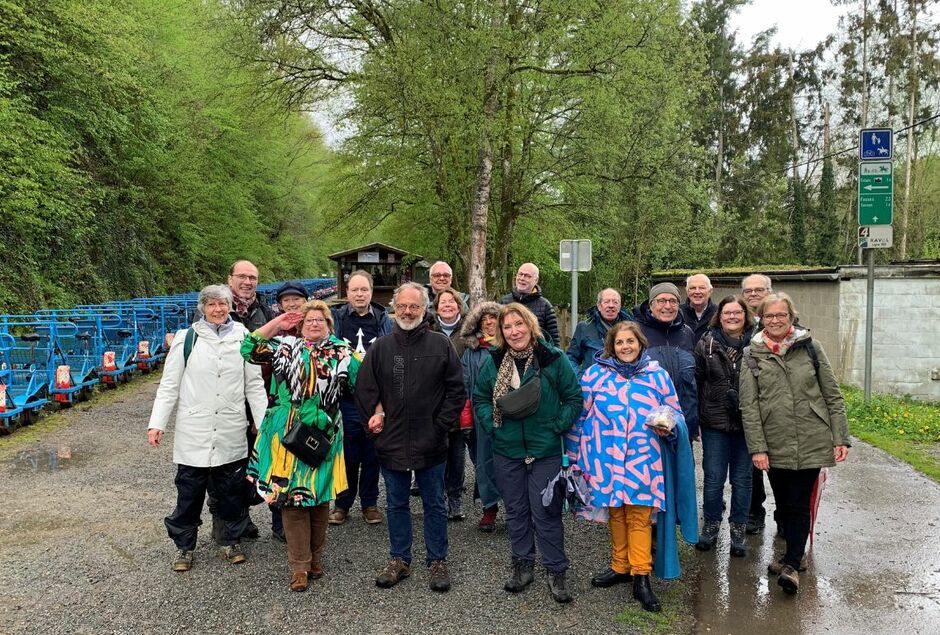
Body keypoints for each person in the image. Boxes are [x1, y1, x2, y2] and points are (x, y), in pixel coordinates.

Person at [566, 321, 697, 613]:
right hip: (603, 456)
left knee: (638, 515)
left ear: (640, 343)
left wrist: (669, 426)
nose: (625, 347)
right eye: (619, 343)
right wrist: (572, 457)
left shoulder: (657, 376)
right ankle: (619, 565)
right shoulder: (595, 375)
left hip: (643, 459)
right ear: (611, 346)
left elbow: (675, 411)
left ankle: (641, 575)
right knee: (616, 511)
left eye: (631, 342)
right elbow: (579, 415)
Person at [147, 285, 267, 572]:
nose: (218, 309)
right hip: (194, 429)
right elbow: (169, 385)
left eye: (222, 304)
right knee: (189, 493)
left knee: (230, 491)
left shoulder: (243, 337)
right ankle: (184, 546)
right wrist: (157, 423)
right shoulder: (186, 339)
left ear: (230, 307)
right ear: (202, 308)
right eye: (212, 304)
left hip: (229, 427)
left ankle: (230, 540)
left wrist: (263, 425)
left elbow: (254, 385)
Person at [242, 300, 360, 592]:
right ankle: (299, 567)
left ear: (329, 325)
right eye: (309, 320)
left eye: (321, 320)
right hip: (285, 433)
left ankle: (315, 559)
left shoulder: (343, 353)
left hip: (324, 434)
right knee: (291, 500)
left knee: (319, 500)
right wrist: (277, 323)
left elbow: (366, 383)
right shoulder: (284, 346)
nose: (315, 324)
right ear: (300, 324)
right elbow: (248, 348)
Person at [355, 282, 466, 593]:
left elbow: (456, 391)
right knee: (397, 503)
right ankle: (400, 559)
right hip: (391, 442)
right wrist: (374, 424)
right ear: (394, 308)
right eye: (402, 306)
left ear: (423, 309)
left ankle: (437, 560)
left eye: (414, 306)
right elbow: (365, 390)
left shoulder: (440, 345)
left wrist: (440, 425)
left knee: (434, 503)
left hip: (430, 441)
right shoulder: (380, 348)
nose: (407, 311)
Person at [740, 293, 850, 595]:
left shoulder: (811, 348)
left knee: (800, 502)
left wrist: (841, 437)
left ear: (792, 316)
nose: (776, 320)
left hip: (812, 437)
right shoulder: (752, 354)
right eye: (770, 316)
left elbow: (833, 395)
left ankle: (791, 564)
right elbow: (749, 406)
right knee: (785, 502)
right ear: (762, 318)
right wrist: (758, 447)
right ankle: (793, 554)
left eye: (781, 315)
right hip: (774, 441)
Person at [473, 304, 582, 603]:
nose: (514, 331)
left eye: (519, 324)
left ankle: (556, 569)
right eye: (507, 327)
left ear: (530, 325)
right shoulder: (494, 361)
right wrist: (492, 426)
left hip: (544, 450)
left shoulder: (553, 358)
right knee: (517, 510)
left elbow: (573, 398)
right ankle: (522, 565)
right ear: (500, 332)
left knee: (546, 511)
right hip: (507, 450)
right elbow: (480, 397)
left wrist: (556, 426)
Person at [329, 270, 392, 526]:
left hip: (375, 399)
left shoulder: (383, 319)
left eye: (364, 290)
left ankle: (370, 503)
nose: (359, 294)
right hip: (345, 398)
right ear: (347, 292)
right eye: (354, 290)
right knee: (347, 453)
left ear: (371, 291)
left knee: (372, 453)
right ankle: (342, 503)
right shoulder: (337, 318)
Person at [694, 296, 755, 557]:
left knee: (742, 479)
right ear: (719, 316)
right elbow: (697, 381)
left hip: (746, 424)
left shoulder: (758, 343)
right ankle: (711, 524)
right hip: (714, 423)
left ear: (745, 315)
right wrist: (696, 417)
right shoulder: (706, 343)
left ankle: (738, 529)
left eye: (737, 313)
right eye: (727, 312)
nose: (732, 317)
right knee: (713, 478)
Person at [632, 282, 700, 442]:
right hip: (647, 423)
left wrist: (695, 421)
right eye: (661, 300)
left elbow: (694, 379)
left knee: (682, 466)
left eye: (673, 301)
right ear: (651, 305)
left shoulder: (687, 332)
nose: (667, 306)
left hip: (682, 421)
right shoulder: (635, 331)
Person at [458, 301, 503, 532]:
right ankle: (489, 508)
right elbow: (464, 386)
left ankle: (519, 510)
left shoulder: (511, 347)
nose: (489, 322)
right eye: (484, 319)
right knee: (485, 463)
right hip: (481, 415)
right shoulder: (472, 352)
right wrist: (465, 418)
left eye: (493, 318)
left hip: (511, 415)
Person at [430, 287, 472, 521]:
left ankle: (455, 495)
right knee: (436, 452)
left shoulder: (468, 331)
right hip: (433, 401)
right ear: (436, 308)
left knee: (457, 454)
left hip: (458, 399)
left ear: (458, 305)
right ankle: (438, 497)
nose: (447, 305)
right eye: (442, 302)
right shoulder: (428, 329)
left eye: (451, 302)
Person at [740, 273, 773, 534]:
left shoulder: (781, 319)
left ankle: (785, 518)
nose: (753, 294)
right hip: (749, 404)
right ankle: (754, 512)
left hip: (777, 407)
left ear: (769, 291)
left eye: (758, 290)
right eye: (748, 290)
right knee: (752, 464)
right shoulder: (739, 324)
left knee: (782, 467)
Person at [566, 288, 633, 373]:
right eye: (607, 302)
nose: (611, 305)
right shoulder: (584, 328)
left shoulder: (631, 329)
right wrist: (580, 380)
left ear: (620, 307)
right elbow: (571, 358)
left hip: (622, 383)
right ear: (599, 305)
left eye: (615, 302)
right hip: (592, 383)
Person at [499, 263, 560, 345]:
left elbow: (554, 340)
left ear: (536, 280)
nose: (522, 278)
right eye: (520, 274)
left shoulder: (545, 306)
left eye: (527, 276)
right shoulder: (504, 302)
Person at [680, 274, 717, 345]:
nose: (697, 291)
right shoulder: (677, 313)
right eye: (693, 288)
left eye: (702, 288)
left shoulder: (719, 313)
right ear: (687, 291)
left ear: (710, 291)